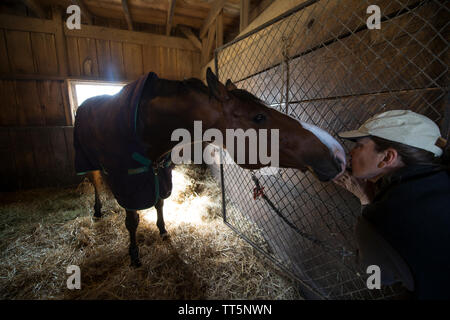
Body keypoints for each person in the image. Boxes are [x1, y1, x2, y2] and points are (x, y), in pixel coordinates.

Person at [333, 109, 450, 300]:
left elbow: (377, 279)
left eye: (359, 146)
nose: (351, 152)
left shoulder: (378, 219)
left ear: (387, 157)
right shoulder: (443, 178)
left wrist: (366, 201)